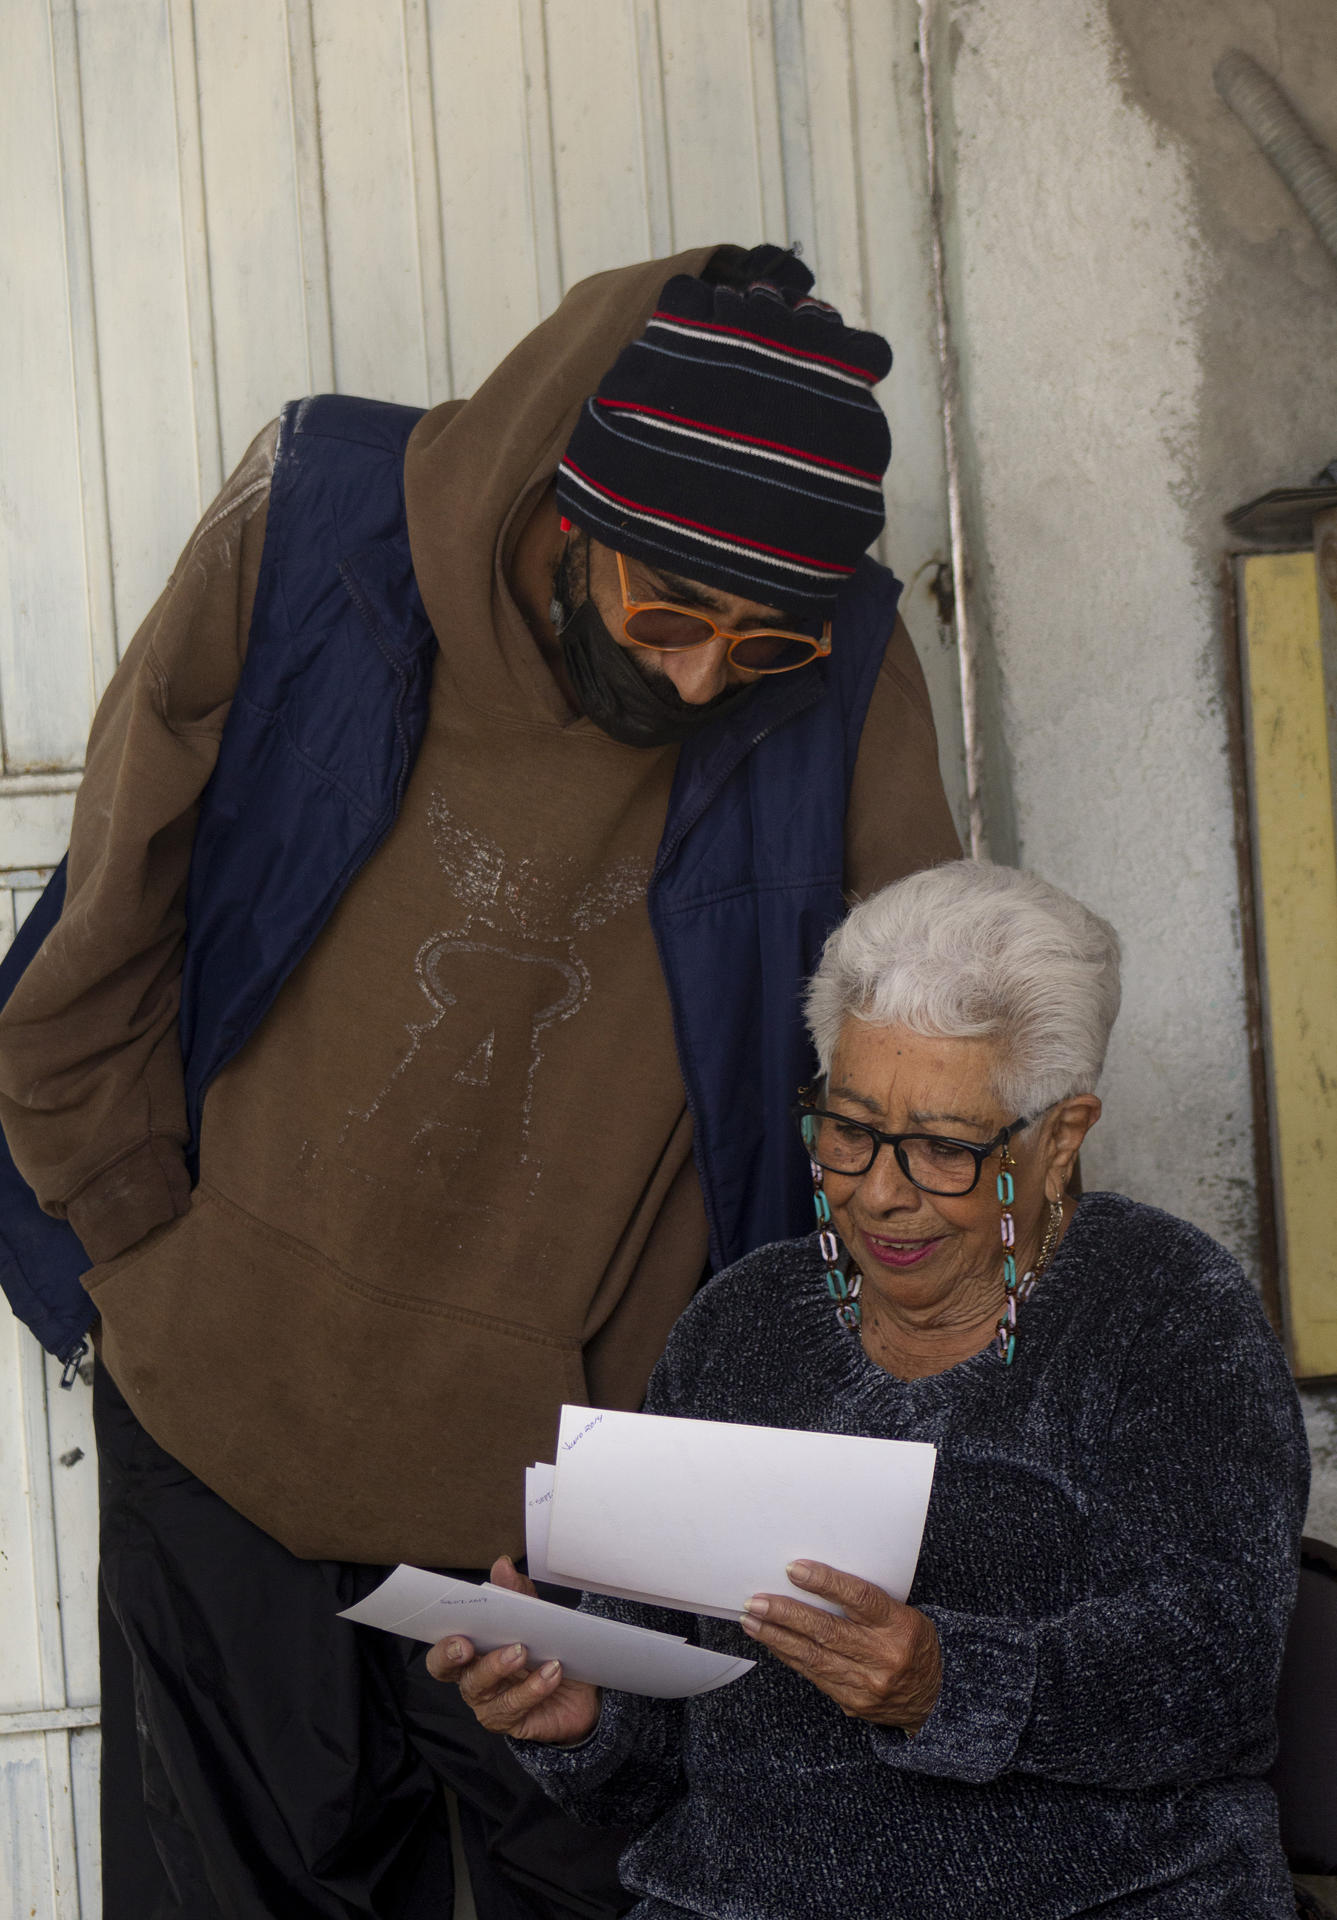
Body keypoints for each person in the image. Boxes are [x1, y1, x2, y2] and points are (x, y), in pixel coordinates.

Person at [0, 243, 960, 1917]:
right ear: (564, 509)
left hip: (583, 1497)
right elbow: (108, 915)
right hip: (225, 1410)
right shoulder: (316, 540)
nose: (693, 680)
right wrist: (144, 1259)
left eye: (754, 648)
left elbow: (911, 1072)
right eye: (665, 612)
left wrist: (827, 1429)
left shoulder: (845, 667)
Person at [433, 860, 1309, 1920]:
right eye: (847, 1129)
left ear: (1059, 1139)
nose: (880, 1193)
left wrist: (948, 1684)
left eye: (943, 1148)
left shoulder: (1165, 1312)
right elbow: (652, 1757)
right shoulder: (742, 1323)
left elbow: (1213, 1676)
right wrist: (579, 1717)